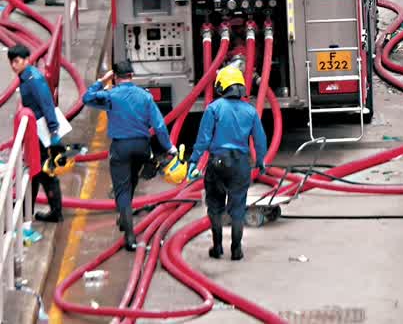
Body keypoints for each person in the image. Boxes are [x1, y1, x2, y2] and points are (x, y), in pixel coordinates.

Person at [82, 60, 178, 251]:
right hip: (142, 147)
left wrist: (102, 81)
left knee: (122, 189)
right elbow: (159, 125)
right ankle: (124, 217)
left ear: (115, 77)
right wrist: (170, 147)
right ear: (132, 76)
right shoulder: (145, 96)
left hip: (120, 147)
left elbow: (87, 98)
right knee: (132, 180)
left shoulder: (110, 96)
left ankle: (129, 235)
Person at [187, 67, 267, 261]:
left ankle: (217, 248)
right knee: (238, 208)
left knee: (215, 206)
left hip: (217, 163)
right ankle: (236, 250)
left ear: (221, 86)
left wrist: (194, 161)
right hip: (240, 164)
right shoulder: (250, 111)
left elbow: (203, 139)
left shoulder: (214, 108)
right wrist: (260, 161)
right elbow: (260, 140)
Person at [8, 44, 63, 222]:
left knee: (43, 171)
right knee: (38, 170)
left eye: (17, 61)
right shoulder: (26, 76)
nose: (13, 65)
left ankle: (51, 212)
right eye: (11, 62)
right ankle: (29, 209)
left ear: (26, 60)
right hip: (36, 130)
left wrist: (54, 132)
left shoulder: (34, 79)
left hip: (42, 132)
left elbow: (47, 104)